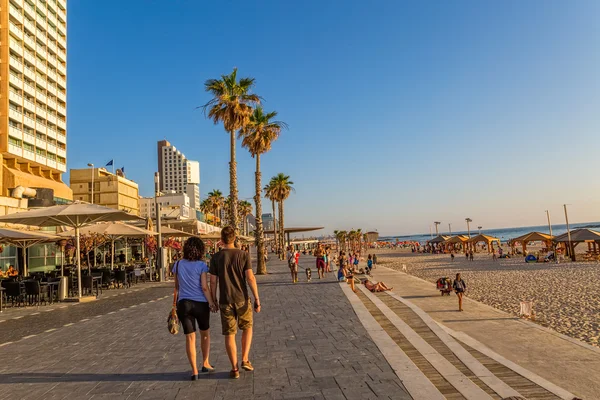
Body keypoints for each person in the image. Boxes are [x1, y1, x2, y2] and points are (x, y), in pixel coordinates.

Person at [210, 227, 261, 379]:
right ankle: (245, 358)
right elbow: (250, 278)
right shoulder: (243, 255)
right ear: (234, 238)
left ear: (222, 238)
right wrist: (257, 298)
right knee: (247, 327)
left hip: (225, 301)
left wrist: (213, 300)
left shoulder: (216, 257)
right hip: (242, 299)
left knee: (229, 334)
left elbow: (213, 282)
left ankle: (234, 368)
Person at [173, 237, 216, 380]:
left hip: (183, 304)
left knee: (190, 338)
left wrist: (174, 305)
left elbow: (176, 287)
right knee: (205, 334)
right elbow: (204, 287)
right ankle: (205, 362)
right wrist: (211, 302)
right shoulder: (202, 265)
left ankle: (194, 371)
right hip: (200, 304)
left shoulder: (178, 265)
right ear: (200, 250)